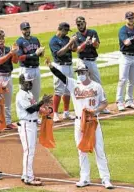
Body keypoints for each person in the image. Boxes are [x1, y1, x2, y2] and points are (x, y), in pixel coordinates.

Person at [46, 60, 113, 189]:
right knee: (81, 150)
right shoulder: (73, 84)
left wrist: (96, 110)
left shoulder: (96, 86)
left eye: (82, 72)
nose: (80, 74)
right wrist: (51, 66)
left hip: (93, 122)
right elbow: (60, 76)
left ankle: (105, 179)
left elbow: (104, 102)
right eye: (78, 72)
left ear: (87, 72)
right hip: (79, 122)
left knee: (99, 150)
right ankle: (84, 178)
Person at [16, 74, 52, 186]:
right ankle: (28, 178)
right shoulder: (21, 95)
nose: (30, 83)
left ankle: (26, 174)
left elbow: (35, 107)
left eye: (31, 81)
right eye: (28, 82)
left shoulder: (29, 93)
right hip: (26, 125)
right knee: (29, 151)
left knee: (30, 151)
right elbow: (31, 110)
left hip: (31, 125)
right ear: (22, 82)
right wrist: (41, 102)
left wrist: (44, 108)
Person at [74, 16, 110, 114]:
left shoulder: (93, 32)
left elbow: (97, 46)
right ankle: (80, 108)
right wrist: (85, 42)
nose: (80, 26)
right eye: (78, 24)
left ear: (85, 23)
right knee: (81, 85)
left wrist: (94, 43)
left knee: (97, 83)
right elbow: (78, 49)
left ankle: (102, 106)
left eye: (81, 23)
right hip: (82, 61)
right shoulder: (76, 35)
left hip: (92, 61)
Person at [0, 30, 19, 130]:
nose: (0, 40)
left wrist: (14, 53)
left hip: (8, 76)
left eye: (2, 38)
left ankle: (8, 122)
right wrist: (10, 53)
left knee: (8, 101)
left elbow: (15, 61)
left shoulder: (7, 48)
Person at [49, 22, 77, 122]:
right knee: (58, 90)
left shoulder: (66, 38)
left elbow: (74, 49)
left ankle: (66, 112)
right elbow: (59, 53)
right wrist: (70, 42)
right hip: (59, 67)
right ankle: (55, 113)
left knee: (68, 90)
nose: (66, 33)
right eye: (65, 30)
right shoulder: (53, 41)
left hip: (69, 65)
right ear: (60, 29)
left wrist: (74, 42)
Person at [16, 22, 45, 102]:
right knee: (25, 94)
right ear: (21, 30)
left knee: (36, 94)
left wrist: (42, 52)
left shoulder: (35, 39)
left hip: (36, 69)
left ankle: (35, 113)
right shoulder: (19, 42)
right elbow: (20, 58)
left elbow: (40, 55)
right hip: (26, 70)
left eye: (28, 28)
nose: (27, 30)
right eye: (25, 29)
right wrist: (34, 54)